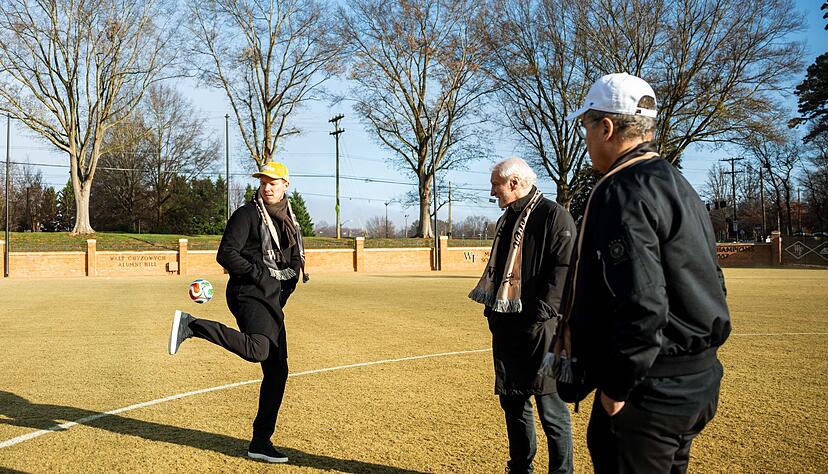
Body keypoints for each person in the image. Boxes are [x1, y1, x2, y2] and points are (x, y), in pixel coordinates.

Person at [559, 73, 731, 473]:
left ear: (606, 128)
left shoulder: (623, 190)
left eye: (587, 125)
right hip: (697, 379)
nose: (584, 137)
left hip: (650, 391)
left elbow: (643, 301)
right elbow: (714, 278)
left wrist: (616, 388)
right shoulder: (676, 182)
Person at [167, 161, 308, 463]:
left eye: (273, 182)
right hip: (247, 293)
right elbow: (226, 254)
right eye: (263, 181)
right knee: (258, 350)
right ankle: (192, 325)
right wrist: (259, 275)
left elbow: (295, 261)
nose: (267, 187)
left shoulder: (290, 223)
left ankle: (260, 442)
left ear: (286, 185)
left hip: (271, 299)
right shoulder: (246, 215)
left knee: (277, 370)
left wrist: (286, 285)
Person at [469, 157, 576, 474]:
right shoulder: (505, 220)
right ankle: (520, 468)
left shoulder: (554, 216)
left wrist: (540, 313)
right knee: (513, 403)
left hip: (547, 331)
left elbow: (565, 271)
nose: (492, 192)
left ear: (513, 182)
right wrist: (494, 314)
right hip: (507, 326)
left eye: (495, 185)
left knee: (551, 406)